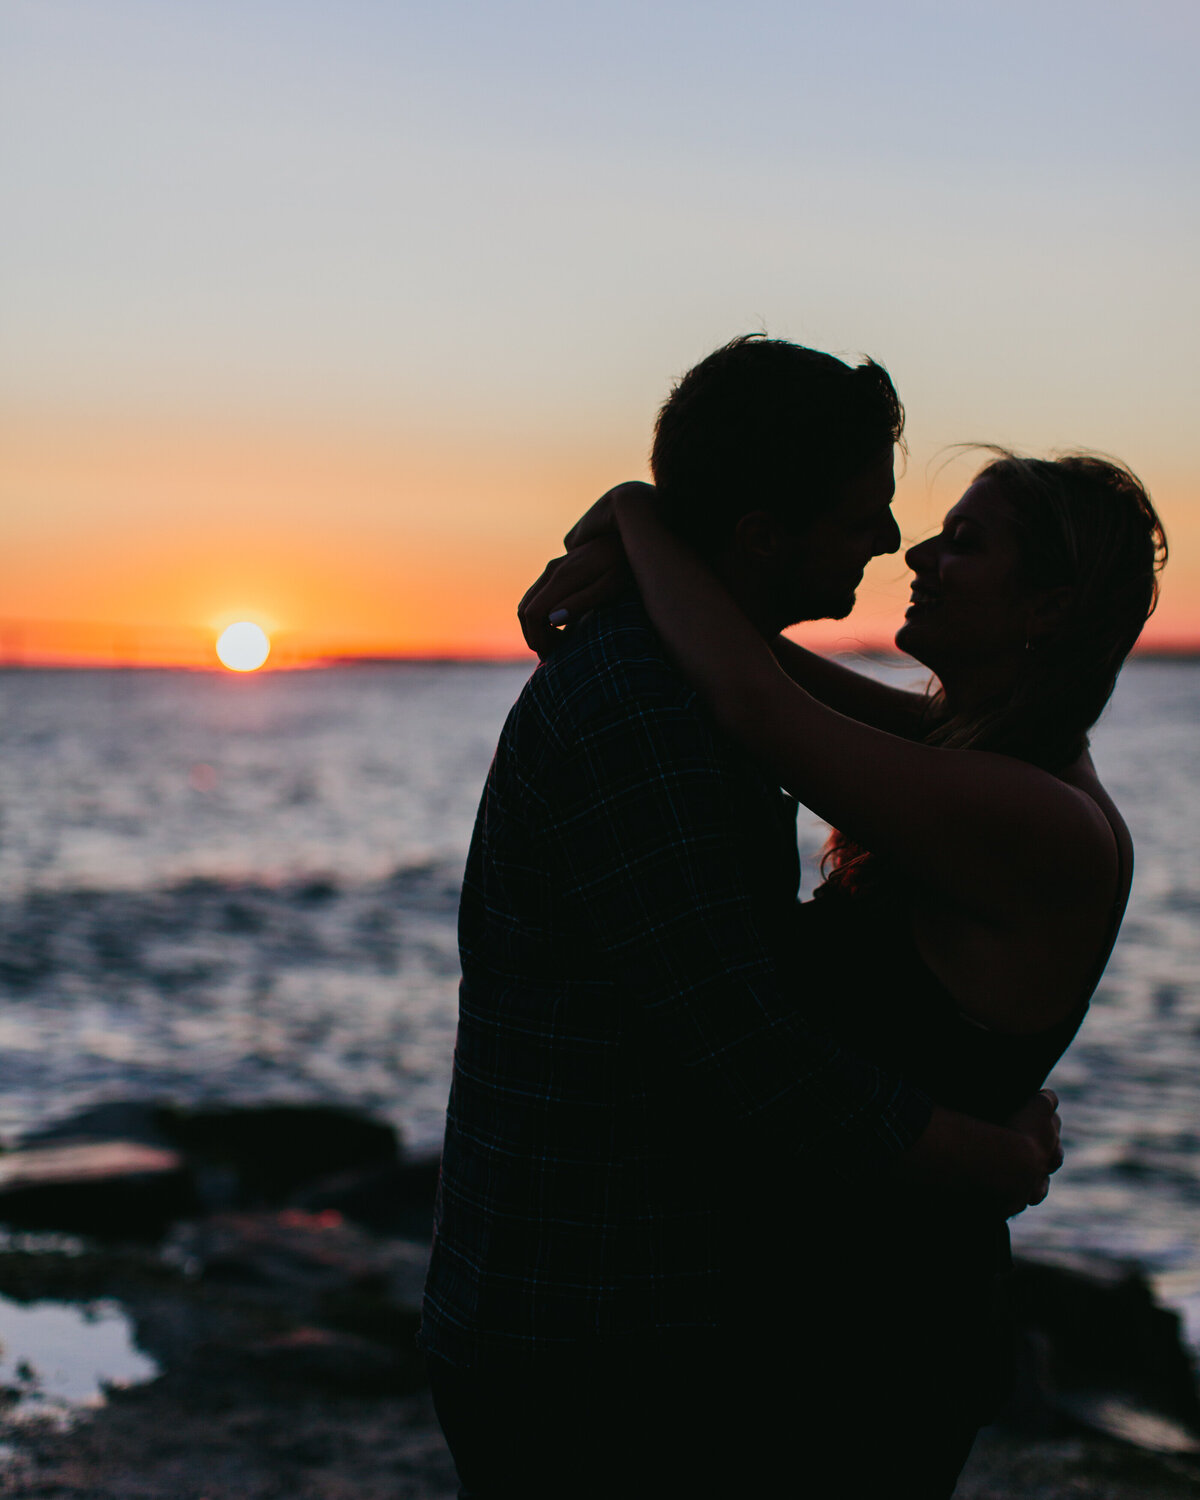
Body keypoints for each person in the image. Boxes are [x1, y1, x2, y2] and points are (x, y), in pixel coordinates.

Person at [420, 336, 1065, 1499]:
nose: (888, 539)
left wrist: (633, 518)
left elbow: (789, 703)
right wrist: (978, 1150)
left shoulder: (699, 685)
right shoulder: (648, 712)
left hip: (621, 1314)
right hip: (590, 1337)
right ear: (766, 535)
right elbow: (744, 1051)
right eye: (864, 512)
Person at [520, 442, 1166, 1494]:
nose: (920, 554)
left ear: (1046, 605)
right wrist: (649, 570)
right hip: (838, 1305)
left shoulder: (1038, 816)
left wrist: (640, 513)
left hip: (875, 1336)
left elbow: (750, 702)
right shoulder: (981, 760)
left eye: (966, 544)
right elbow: (760, 665)